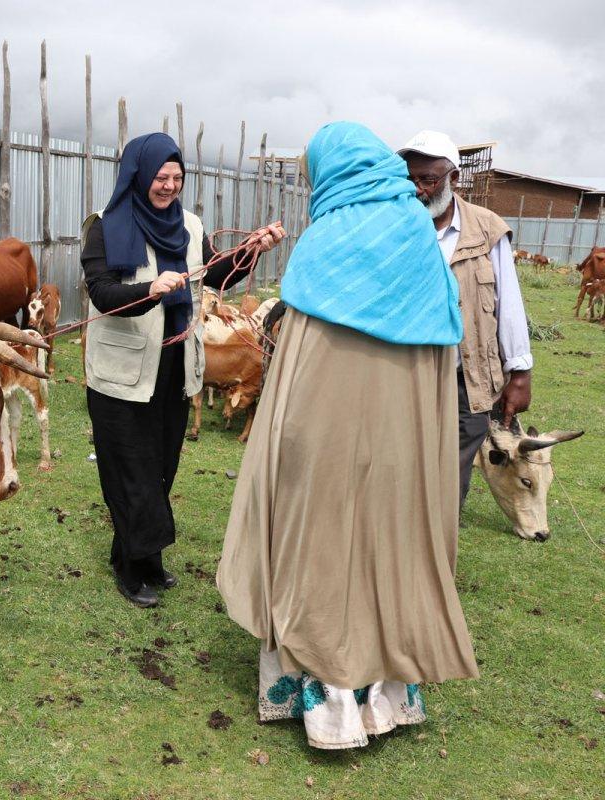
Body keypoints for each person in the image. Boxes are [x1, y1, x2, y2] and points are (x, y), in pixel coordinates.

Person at [217, 122, 478, 750]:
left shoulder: (327, 240)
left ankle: (326, 706)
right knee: (387, 549)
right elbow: (442, 355)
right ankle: (382, 703)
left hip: (322, 444)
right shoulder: (419, 234)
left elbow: (298, 369)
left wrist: (280, 441)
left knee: (320, 553)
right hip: (402, 447)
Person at [81, 132, 284, 608]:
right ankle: (133, 570)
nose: (169, 186)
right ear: (138, 174)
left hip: (175, 367)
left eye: (177, 177)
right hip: (121, 374)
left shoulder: (189, 226)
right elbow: (102, 294)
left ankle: (140, 557)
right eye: (161, 177)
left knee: (161, 467)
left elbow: (217, 273)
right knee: (129, 470)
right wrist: (150, 288)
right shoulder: (105, 228)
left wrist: (254, 249)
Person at [398, 131, 533, 507]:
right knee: (402, 461)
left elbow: (509, 305)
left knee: (452, 471)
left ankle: (437, 552)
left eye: (429, 178)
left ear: (454, 178)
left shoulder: (487, 229)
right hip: (406, 371)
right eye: (411, 179)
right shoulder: (397, 228)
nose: (420, 189)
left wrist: (519, 373)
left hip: (466, 377)